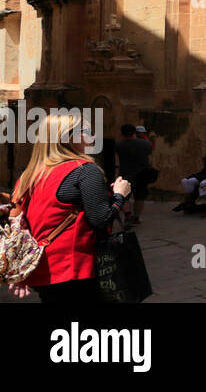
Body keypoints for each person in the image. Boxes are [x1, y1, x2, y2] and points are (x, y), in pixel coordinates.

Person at [6, 113, 131, 304]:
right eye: (86, 131)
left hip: (40, 270)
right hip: (74, 269)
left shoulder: (28, 176)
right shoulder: (84, 170)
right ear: (67, 137)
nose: (92, 137)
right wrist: (120, 196)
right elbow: (101, 219)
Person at [115, 124, 155, 227]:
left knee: (125, 198)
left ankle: (128, 215)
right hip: (142, 174)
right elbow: (150, 153)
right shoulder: (145, 144)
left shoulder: (119, 145)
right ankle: (136, 218)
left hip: (125, 175)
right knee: (140, 197)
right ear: (134, 132)